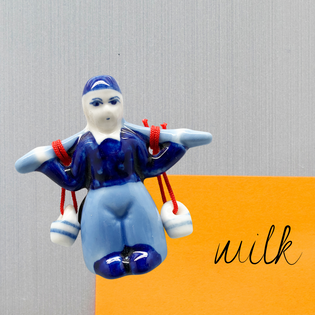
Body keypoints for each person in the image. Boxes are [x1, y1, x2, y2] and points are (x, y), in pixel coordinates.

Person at [15, 76, 212, 279]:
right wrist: (46, 164)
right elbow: (73, 180)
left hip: (135, 195)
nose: (107, 109)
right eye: (97, 103)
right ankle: (105, 258)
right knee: (102, 236)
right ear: (86, 108)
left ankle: (148, 251)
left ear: (121, 103)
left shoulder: (132, 138)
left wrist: (178, 146)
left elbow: (152, 166)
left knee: (142, 227)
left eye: (113, 101)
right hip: (98, 203)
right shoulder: (85, 145)